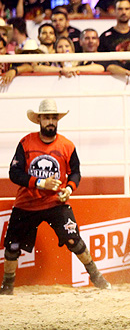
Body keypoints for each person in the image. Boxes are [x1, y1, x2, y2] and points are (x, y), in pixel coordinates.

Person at [0, 99, 112, 295]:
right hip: (26, 203)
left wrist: (69, 188)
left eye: (54, 118)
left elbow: (76, 172)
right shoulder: (26, 143)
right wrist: (40, 182)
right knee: (12, 247)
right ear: (39, 120)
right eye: (46, 118)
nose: (50, 121)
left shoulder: (67, 145)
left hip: (56, 203)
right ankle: (7, 287)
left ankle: (97, 278)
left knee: (73, 241)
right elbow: (14, 173)